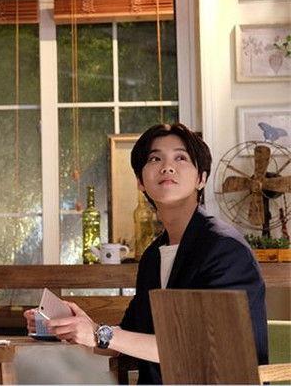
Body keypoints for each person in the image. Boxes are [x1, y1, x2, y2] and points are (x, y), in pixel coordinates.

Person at [24, 123, 268, 384]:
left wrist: (98, 334)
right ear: (140, 181)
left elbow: (201, 349)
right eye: (155, 159)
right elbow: (126, 338)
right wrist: (71, 327)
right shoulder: (153, 256)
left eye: (181, 158)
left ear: (201, 178)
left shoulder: (225, 250)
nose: (167, 167)